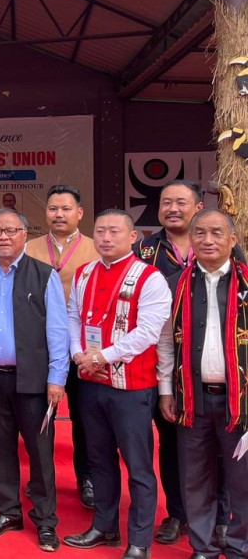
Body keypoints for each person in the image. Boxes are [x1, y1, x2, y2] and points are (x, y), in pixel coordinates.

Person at [0, 208, 69, 553]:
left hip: (34, 380)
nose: (3, 237)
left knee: (40, 452)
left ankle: (45, 519)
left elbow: (58, 331)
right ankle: (7, 512)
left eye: (11, 230)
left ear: (24, 234)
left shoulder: (44, 274)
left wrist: (57, 378)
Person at [64, 210, 170, 559]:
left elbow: (147, 333)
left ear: (133, 236)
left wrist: (103, 355)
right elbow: (73, 317)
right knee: (99, 459)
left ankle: (139, 540)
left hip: (132, 385)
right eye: (100, 231)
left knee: (138, 465)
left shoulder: (149, 277)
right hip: (90, 381)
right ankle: (104, 526)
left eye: (114, 231)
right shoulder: (84, 273)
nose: (106, 238)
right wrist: (79, 352)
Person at [158, 208, 248, 559]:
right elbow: (166, 341)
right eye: (200, 234)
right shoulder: (175, 284)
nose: (207, 240)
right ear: (191, 239)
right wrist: (166, 389)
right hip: (191, 398)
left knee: (242, 480)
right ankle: (203, 547)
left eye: (216, 233)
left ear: (233, 239)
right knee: (195, 478)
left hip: (239, 401)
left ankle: (241, 547)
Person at [133, 179, 203, 545]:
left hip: (210, 363)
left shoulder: (218, 245)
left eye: (181, 202)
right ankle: (177, 513)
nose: (173, 209)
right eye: (166, 203)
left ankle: (218, 515)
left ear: (198, 207)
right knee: (171, 442)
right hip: (161, 363)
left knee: (214, 443)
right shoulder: (144, 249)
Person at [24, 184, 99, 509]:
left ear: (79, 213)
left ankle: (89, 478)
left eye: (66, 209)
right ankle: (40, 477)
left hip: (82, 348)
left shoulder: (97, 249)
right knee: (40, 417)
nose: (58, 214)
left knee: (87, 417)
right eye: (53, 208)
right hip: (40, 346)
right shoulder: (29, 248)